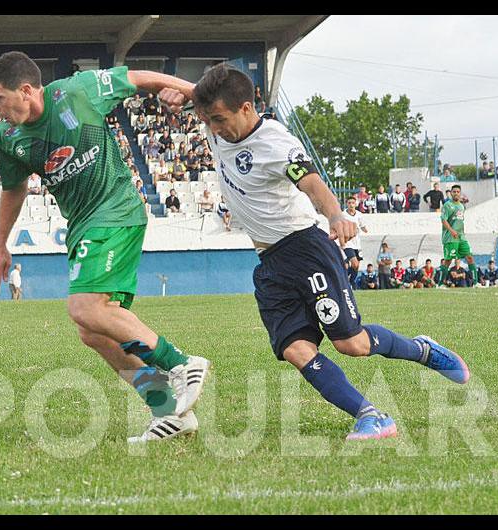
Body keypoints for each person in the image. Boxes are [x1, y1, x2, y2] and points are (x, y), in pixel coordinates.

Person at [185, 64, 468, 441]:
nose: (214, 129)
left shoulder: (276, 143)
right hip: (270, 262)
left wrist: (335, 214)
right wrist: (162, 87)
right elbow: (187, 89)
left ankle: (422, 350)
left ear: (246, 108)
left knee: (351, 343)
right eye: (209, 120)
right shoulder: (218, 128)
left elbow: (312, 183)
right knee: (295, 349)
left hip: (306, 248)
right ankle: (371, 414)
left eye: (219, 119)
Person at [0, 51, 210, 443]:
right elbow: (14, 188)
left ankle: (182, 364)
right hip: (83, 225)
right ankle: (169, 411)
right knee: (92, 329)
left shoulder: (77, 92)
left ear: (25, 91)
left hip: (116, 209)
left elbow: (138, 77)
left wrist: (192, 93)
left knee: (84, 307)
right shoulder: (9, 137)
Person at [438, 184, 478, 287]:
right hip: (450, 238)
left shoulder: (461, 206)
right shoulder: (447, 205)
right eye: (454, 191)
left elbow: (460, 221)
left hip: (461, 237)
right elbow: (443, 220)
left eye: (458, 192)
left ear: (460, 193)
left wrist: (462, 232)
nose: (456, 193)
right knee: (448, 260)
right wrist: (451, 231)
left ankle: (475, 283)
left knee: (469, 257)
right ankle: (441, 284)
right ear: (451, 193)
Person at [341, 197, 367, 287]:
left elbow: (362, 226)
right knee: (354, 263)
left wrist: (365, 229)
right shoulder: (343, 215)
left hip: (357, 244)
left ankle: (349, 281)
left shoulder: (359, 214)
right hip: (347, 243)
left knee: (356, 266)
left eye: (353, 203)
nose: (351, 205)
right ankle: (347, 281)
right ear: (346, 204)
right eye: (349, 203)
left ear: (355, 204)